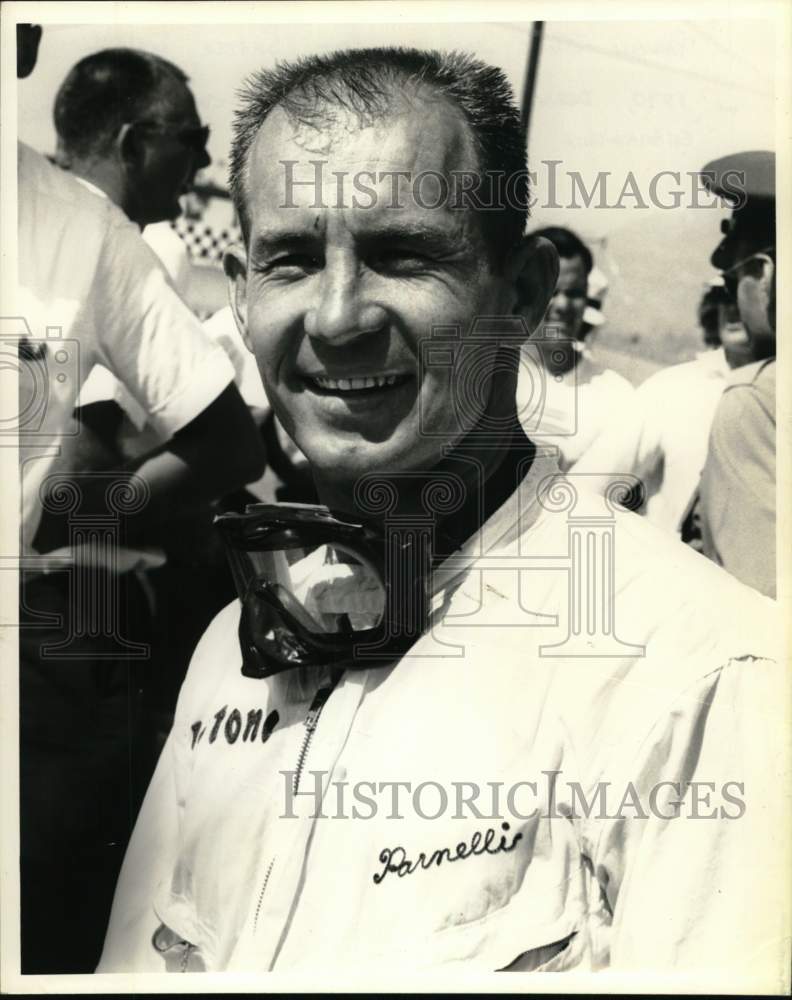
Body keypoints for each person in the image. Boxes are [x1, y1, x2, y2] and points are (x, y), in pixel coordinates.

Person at [99, 48, 784, 980]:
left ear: (524, 294)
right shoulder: (235, 646)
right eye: (292, 259)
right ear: (244, 295)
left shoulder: (699, 675)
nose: (337, 319)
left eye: (403, 254)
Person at [15, 25, 266, 974]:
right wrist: (88, 522)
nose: (202, 159)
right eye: (189, 138)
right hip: (69, 620)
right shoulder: (94, 240)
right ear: (131, 143)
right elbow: (87, 450)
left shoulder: (91, 238)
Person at [573, 152, 775, 539]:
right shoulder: (675, 390)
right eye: (725, 294)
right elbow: (581, 496)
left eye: (738, 277)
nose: (734, 306)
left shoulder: (757, 397)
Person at [697, 151, 776, 597]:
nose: (718, 254)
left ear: (764, 276)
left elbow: (758, 605)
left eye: (733, 280)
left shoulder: (755, 400)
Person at [515, 227, 634, 472]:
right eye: (551, 291)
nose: (563, 305)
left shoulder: (617, 396)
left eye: (575, 293)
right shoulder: (486, 377)